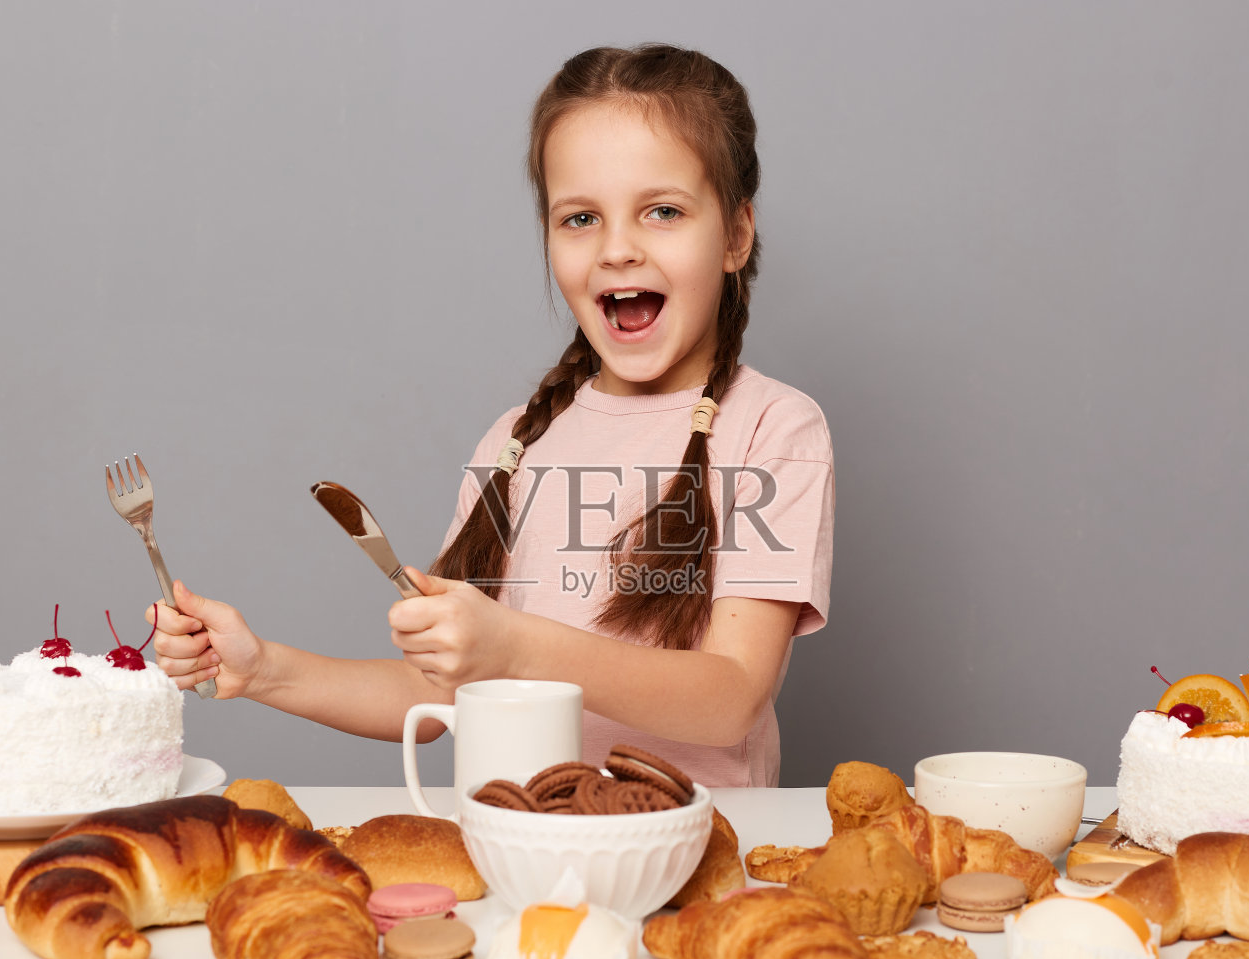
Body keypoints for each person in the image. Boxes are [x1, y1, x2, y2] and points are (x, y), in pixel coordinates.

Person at [151, 44, 833, 787]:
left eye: (662, 211)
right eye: (580, 218)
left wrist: (513, 646)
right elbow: (440, 694)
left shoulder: (774, 429)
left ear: (735, 235)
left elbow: (730, 698)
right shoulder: (515, 443)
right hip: (517, 853)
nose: (616, 250)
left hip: (692, 871)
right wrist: (266, 668)